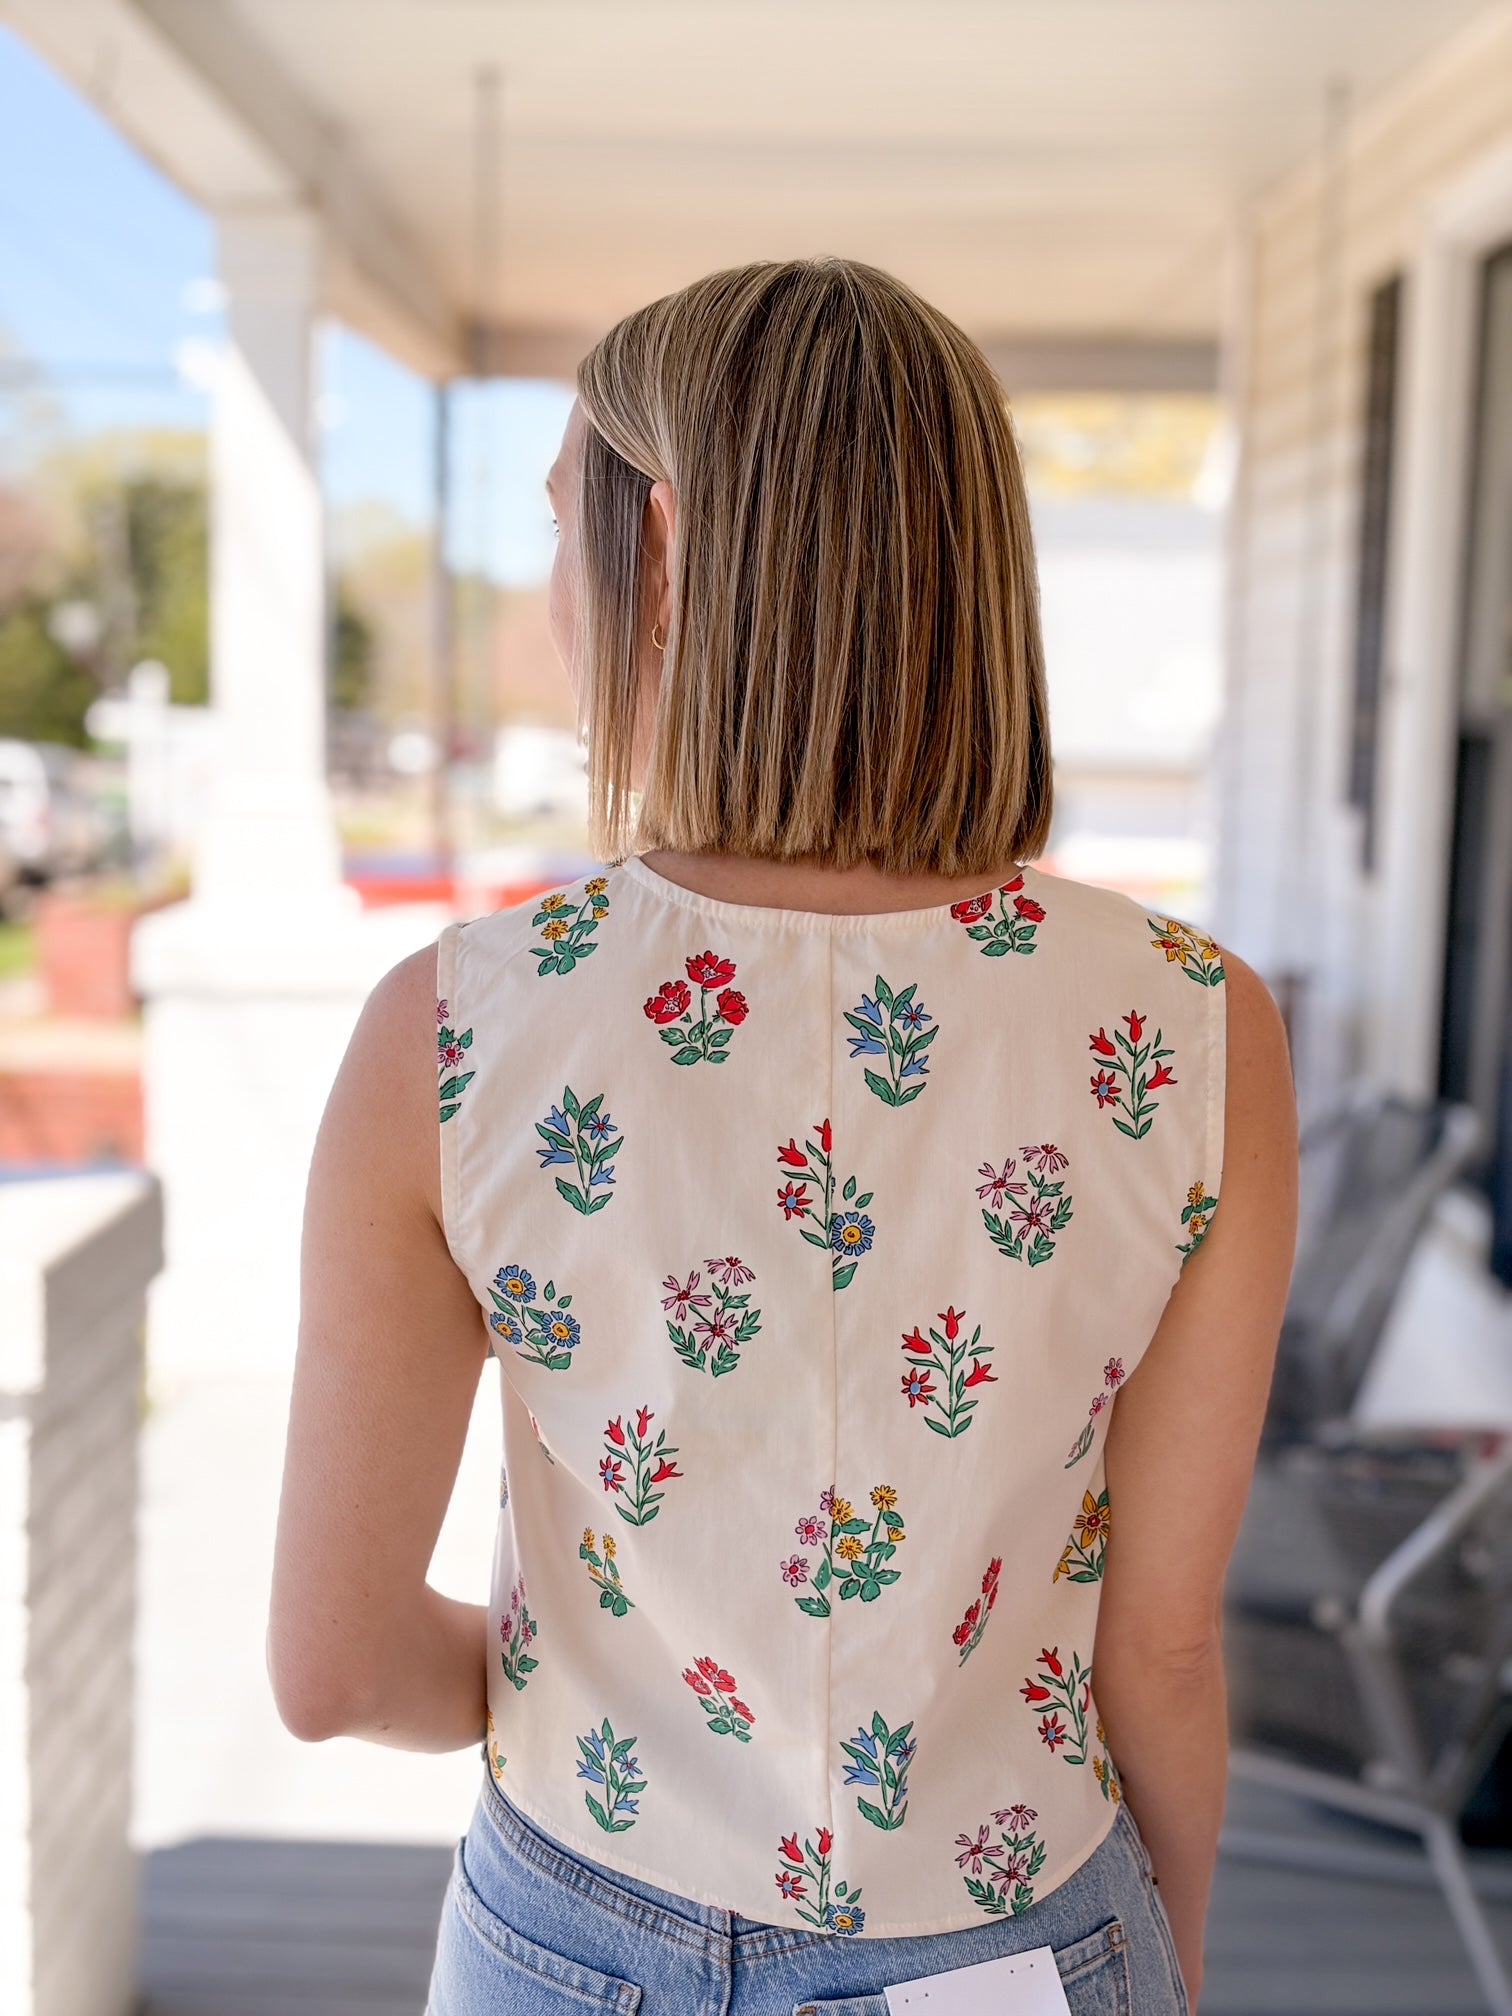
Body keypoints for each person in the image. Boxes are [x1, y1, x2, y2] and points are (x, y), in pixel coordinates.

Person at [268, 256, 1298, 2015]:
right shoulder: (1198, 1029)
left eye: (557, 538)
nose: (549, 603)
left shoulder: (457, 1029)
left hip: (572, 1941)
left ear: (656, 554)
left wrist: (597, 1696)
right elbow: (1166, 1649)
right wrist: (1156, 1966)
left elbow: (336, 1666)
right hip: (1021, 1937)